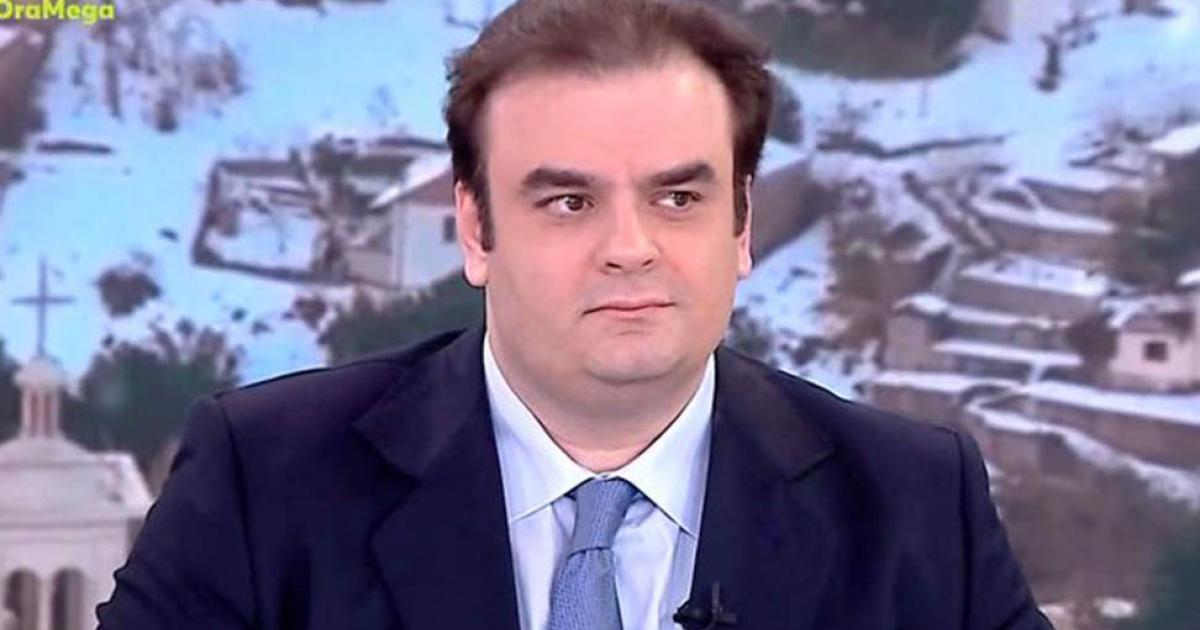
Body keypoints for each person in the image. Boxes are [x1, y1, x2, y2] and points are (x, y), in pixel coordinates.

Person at [97, 0, 1053, 628]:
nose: (630, 246)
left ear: (741, 225)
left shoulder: (916, 506)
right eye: (569, 201)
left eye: (678, 197)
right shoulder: (265, 482)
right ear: (477, 229)